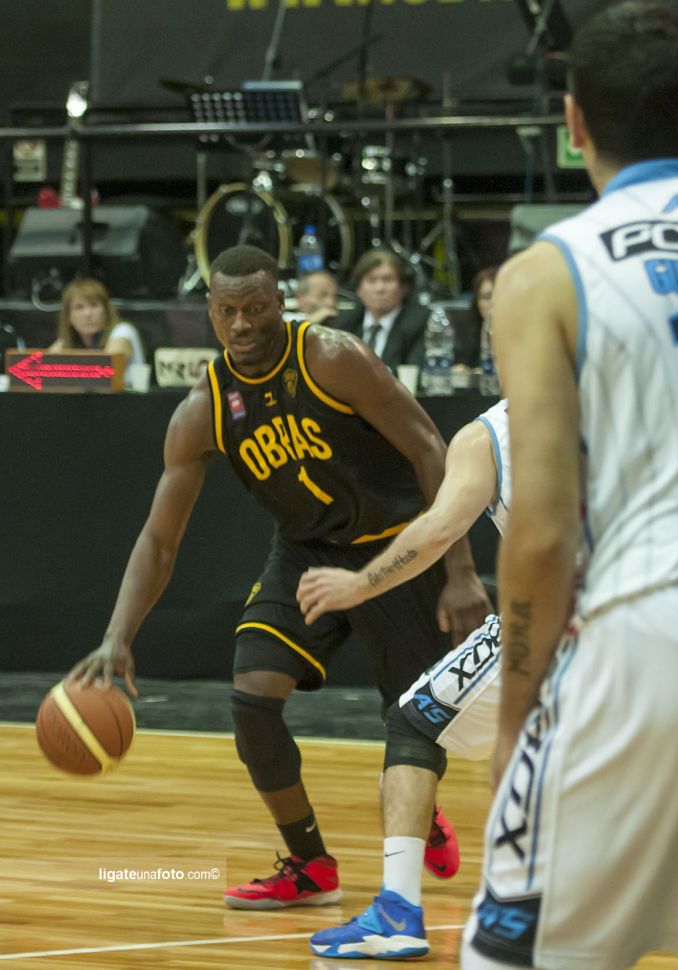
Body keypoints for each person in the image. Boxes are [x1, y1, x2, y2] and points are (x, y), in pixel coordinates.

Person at [462, 4, 678, 969]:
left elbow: (542, 530)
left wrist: (517, 722)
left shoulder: (544, 274)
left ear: (573, 124)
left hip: (661, 631)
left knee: (514, 957)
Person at [68, 244, 489, 912]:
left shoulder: (332, 358)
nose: (242, 324)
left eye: (256, 308)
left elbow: (428, 447)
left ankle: (418, 804)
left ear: (280, 304)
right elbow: (159, 538)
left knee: (411, 724)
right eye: (228, 311)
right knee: (252, 702)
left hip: (396, 550)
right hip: (306, 555)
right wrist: (118, 635)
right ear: (210, 313)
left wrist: (459, 569)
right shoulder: (203, 409)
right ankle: (309, 864)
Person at [299, 399, 510, 959]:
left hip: (562, 624)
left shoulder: (492, 435)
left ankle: (397, 913)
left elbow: (439, 529)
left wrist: (359, 584)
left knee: (414, 724)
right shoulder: (635, 406)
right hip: (666, 626)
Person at [334, 248, 430, 372]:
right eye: (371, 280)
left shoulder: (419, 324)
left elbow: (414, 372)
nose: (379, 288)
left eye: (387, 280)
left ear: (403, 288)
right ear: (358, 289)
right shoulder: (345, 324)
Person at [49, 277, 147, 386]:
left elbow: (105, 369)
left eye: (94, 305)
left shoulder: (122, 331)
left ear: (106, 311)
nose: (87, 314)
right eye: (79, 307)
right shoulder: (65, 342)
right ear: (68, 317)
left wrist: (63, 364)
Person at [454, 266, 498, 370]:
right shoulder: (464, 331)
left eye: (499, 295)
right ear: (477, 303)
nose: (493, 302)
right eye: (487, 297)